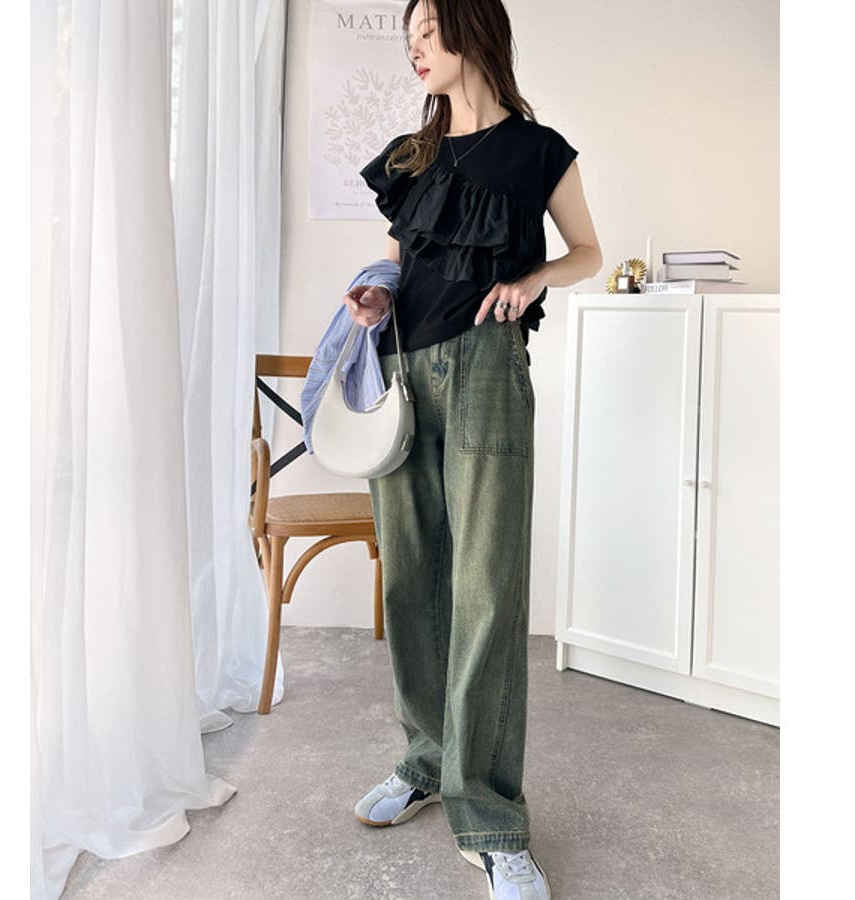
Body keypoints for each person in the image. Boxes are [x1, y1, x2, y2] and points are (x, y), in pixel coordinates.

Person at [346, 2, 602, 897]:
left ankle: (491, 818)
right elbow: (393, 266)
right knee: (411, 579)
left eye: (428, 30)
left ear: (472, 30)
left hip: (489, 367)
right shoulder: (410, 158)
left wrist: (533, 279)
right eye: (409, 36)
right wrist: (373, 297)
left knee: (487, 585)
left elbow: (588, 251)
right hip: (402, 376)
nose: (415, 48)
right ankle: (425, 761)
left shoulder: (540, 150)